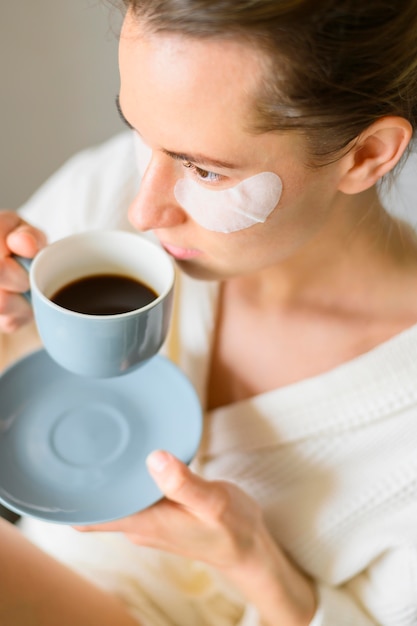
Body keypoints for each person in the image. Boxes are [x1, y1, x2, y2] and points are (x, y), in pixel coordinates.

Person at [1, 0, 417, 623]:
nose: (143, 211)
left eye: (205, 171)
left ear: (366, 156)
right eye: (140, 134)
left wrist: (254, 561)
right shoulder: (113, 187)